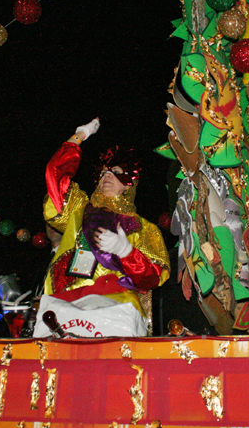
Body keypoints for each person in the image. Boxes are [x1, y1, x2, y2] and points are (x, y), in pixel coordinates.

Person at [41, 118, 170, 323]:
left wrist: (126, 252)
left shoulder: (145, 228)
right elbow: (55, 176)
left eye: (115, 172)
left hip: (115, 313)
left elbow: (152, 278)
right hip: (66, 308)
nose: (107, 176)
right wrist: (78, 137)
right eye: (103, 172)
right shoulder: (79, 209)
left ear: (129, 185)